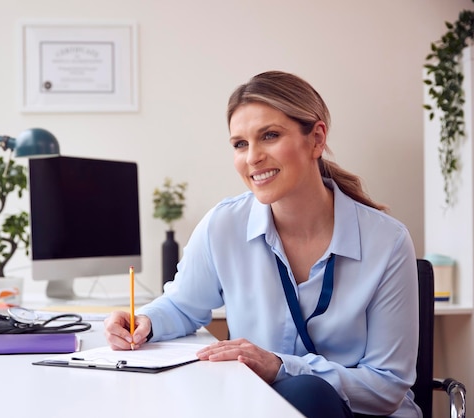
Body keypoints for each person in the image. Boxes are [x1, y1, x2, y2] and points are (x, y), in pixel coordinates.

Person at [104, 71, 420, 418]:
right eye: (240, 144)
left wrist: (281, 367)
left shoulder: (386, 242)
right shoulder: (224, 225)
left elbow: (386, 387)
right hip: (261, 408)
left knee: (307, 394)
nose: (252, 157)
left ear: (316, 139)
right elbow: (182, 306)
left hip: (361, 414)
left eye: (269, 136)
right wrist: (144, 322)